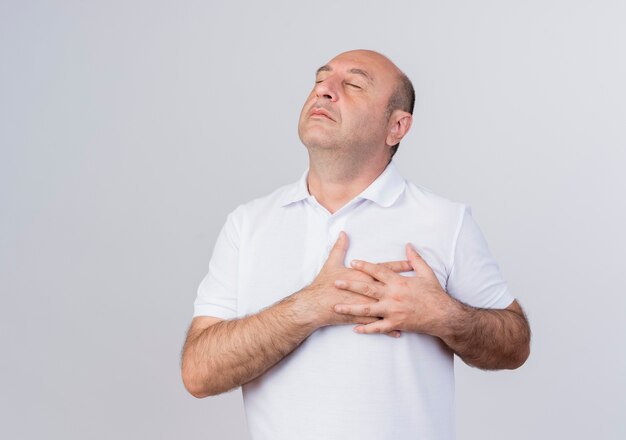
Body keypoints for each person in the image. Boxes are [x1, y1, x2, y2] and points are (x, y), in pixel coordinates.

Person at [181, 49, 531, 440]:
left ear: (396, 127)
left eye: (353, 85)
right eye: (320, 79)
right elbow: (199, 373)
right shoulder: (247, 224)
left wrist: (445, 316)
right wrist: (309, 307)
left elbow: (514, 343)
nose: (325, 91)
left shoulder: (445, 221)